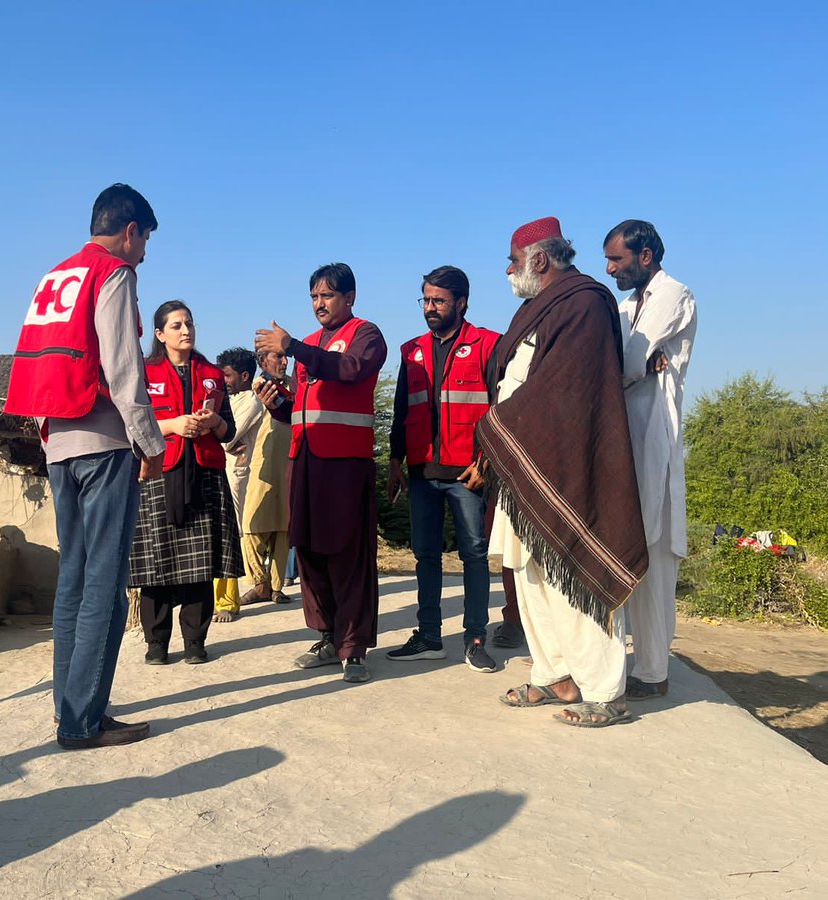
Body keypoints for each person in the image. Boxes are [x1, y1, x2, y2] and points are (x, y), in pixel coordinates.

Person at [4, 182, 165, 750]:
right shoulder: (113, 273)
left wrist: (50, 435)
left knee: (73, 579)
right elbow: (124, 367)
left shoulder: (54, 277)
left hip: (58, 441)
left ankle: (67, 709)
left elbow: (42, 362)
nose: (144, 254)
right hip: (103, 441)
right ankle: (83, 722)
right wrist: (150, 442)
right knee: (104, 584)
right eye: (145, 241)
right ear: (130, 231)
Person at [476, 217, 648, 728]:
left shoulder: (584, 303)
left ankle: (606, 692)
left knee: (570, 572)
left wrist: (499, 425)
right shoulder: (538, 307)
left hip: (566, 465)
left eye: (513, 260)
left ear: (539, 258)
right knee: (529, 572)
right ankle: (556, 676)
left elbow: (567, 389)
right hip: (526, 463)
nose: (508, 270)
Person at [255, 263, 388, 684]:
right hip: (304, 459)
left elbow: (347, 370)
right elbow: (300, 410)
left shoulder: (367, 334)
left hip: (345, 462)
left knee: (348, 554)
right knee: (309, 551)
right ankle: (328, 636)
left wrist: (292, 345)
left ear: (350, 297)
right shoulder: (309, 345)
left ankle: (354, 648)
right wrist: (277, 401)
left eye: (327, 295)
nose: (319, 304)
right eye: (314, 296)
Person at [386, 266, 502, 672]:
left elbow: (501, 409)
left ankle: (475, 638)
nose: (430, 308)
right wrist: (395, 462)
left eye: (439, 301)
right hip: (422, 473)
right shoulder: (411, 351)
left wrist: (487, 462)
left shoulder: (487, 345)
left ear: (461, 303)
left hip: (467, 474)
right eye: (426, 300)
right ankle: (429, 636)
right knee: (425, 556)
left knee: (474, 553)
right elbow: (402, 411)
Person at [604, 219, 697, 701]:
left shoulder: (674, 294)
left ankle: (654, 669)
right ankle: (624, 661)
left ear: (645, 256)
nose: (609, 269)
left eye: (616, 259)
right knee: (623, 547)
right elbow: (619, 361)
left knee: (655, 556)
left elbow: (625, 359)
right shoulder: (624, 306)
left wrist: (632, 364)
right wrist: (632, 365)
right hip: (623, 435)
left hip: (655, 436)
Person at [130, 301, 244, 664]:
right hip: (158, 473)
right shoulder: (143, 373)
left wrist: (214, 423)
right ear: (160, 334)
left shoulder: (212, 373)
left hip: (205, 474)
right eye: (176, 325)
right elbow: (131, 425)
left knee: (201, 563)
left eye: (189, 324)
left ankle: (195, 641)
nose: (186, 330)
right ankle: (156, 643)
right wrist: (173, 425)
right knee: (156, 561)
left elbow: (229, 431)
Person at [211, 347, 266, 622]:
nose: (224, 380)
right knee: (212, 532)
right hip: (217, 467)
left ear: (244, 376)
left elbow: (227, 438)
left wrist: (216, 434)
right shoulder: (229, 399)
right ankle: (214, 598)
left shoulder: (252, 403)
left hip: (235, 473)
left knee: (227, 533)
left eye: (228, 375)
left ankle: (228, 602)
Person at [240, 348, 295, 607]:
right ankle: (259, 583)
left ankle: (276, 586)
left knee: (283, 529)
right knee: (252, 527)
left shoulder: (295, 387)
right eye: (278, 357)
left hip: (289, 464)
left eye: (286, 356)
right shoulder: (256, 389)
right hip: (260, 466)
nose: (284, 361)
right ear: (263, 361)